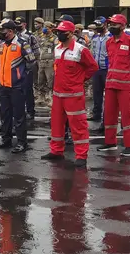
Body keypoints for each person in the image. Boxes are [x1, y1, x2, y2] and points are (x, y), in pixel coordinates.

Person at [41, 20, 98, 167]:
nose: (59, 34)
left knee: (78, 126)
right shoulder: (57, 48)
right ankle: (56, 151)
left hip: (74, 95)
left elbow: (93, 67)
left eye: (62, 32)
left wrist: (80, 80)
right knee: (57, 124)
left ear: (71, 33)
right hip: (58, 94)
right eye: (58, 32)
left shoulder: (81, 50)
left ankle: (81, 155)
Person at [96, 14, 130, 156]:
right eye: (111, 24)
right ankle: (110, 143)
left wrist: (129, 71)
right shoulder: (109, 42)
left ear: (123, 26)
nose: (112, 26)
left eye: (115, 24)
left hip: (126, 85)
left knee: (127, 116)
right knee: (109, 114)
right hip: (111, 83)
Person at [0, 20, 36, 153]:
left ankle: (22, 142)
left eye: (3, 30)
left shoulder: (22, 44)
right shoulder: (1, 44)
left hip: (17, 85)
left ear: (10, 31)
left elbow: (31, 61)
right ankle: (6, 139)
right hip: (4, 85)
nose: (0, 32)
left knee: (19, 115)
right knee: (5, 114)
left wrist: (21, 75)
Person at [15, 17, 37, 120]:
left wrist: (30, 64)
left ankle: (30, 111)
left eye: (19, 24)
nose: (17, 26)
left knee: (28, 90)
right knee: (19, 90)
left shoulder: (30, 36)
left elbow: (36, 51)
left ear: (24, 24)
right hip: (18, 67)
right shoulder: (15, 36)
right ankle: (20, 111)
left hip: (28, 66)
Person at [88, 16, 109, 130]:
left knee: (108, 96)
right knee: (97, 93)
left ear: (105, 25)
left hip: (107, 69)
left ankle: (107, 119)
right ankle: (96, 114)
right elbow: (92, 52)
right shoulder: (95, 38)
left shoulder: (110, 37)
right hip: (96, 69)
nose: (97, 28)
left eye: (99, 26)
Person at [35, 19, 57, 108]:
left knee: (50, 81)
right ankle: (41, 97)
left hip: (50, 62)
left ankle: (50, 97)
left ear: (51, 28)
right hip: (41, 61)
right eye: (44, 27)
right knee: (40, 80)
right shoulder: (41, 37)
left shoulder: (55, 38)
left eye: (46, 27)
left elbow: (56, 50)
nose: (44, 29)